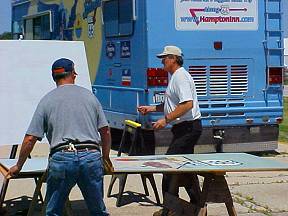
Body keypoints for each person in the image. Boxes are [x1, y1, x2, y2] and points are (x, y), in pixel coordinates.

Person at [8, 58, 111, 216]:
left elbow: (30, 138)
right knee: (98, 211)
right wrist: (105, 157)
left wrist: (19, 166)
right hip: (91, 157)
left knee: (54, 211)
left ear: (53, 76)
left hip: (62, 158)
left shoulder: (47, 101)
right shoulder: (90, 97)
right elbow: (105, 131)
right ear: (73, 74)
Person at [138, 46, 202, 216]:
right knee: (184, 168)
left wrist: (165, 120)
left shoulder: (180, 77)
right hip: (185, 129)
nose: (162, 61)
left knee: (169, 167)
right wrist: (151, 109)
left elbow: (187, 104)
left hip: (188, 129)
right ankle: (197, 205)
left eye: (164, 58)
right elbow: (173, 105)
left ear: (174, 58)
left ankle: (171, 209)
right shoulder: (175, 76)